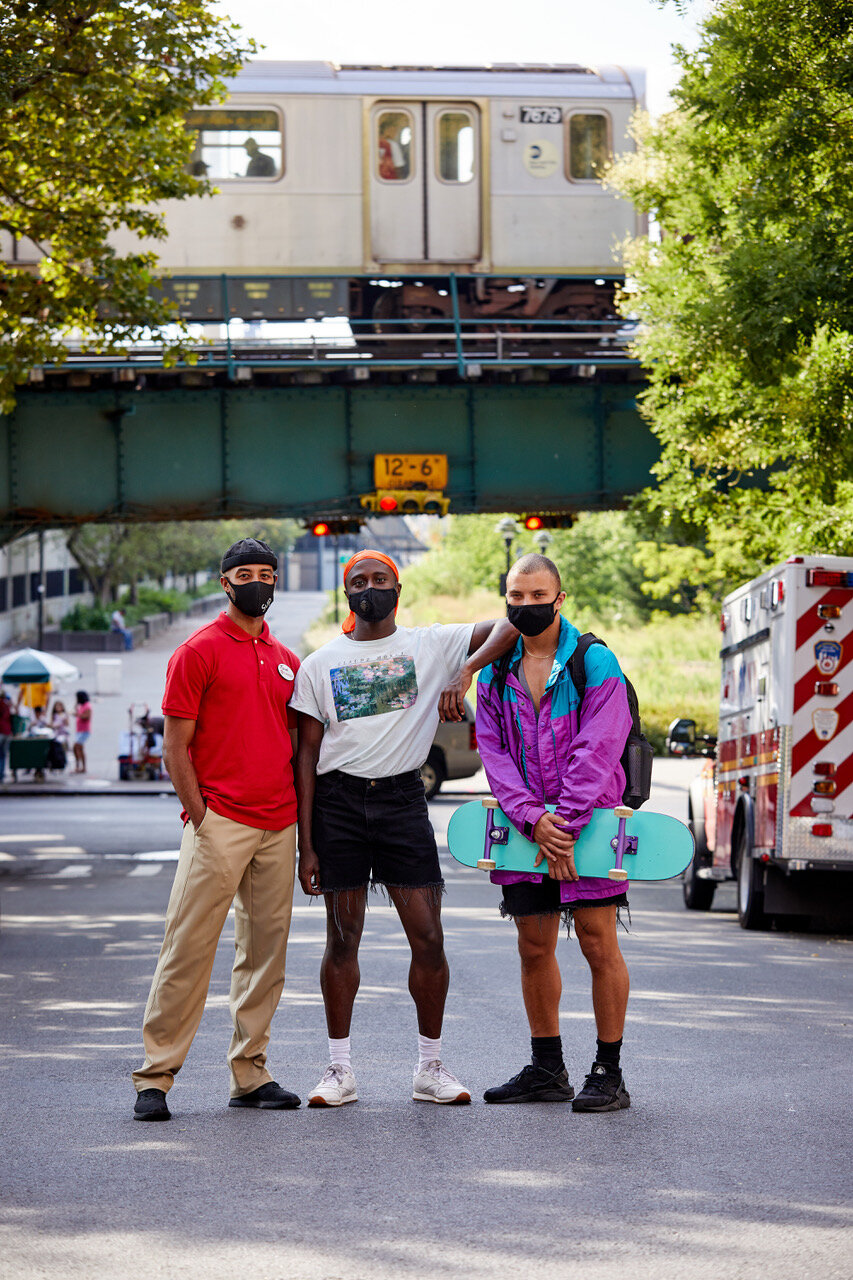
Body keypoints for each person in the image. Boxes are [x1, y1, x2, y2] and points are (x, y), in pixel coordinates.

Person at [291, 549, 519, 1108]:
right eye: (359, 581)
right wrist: (307, 845)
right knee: (342, 940)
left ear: (398, 587)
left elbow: (512, 624)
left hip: (402, 801)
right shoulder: (320, 664)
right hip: (338, 805)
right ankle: (339, 1070)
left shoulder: (433, 644)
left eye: (380, 579)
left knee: (430, 936)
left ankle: (430, 1067)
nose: (370, 587)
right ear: (348, 594)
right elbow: (305, 756)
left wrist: (466, 670)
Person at [132, 538, 301, 1122]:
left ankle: (250, 1075)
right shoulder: (197, 651)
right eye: (245, 574)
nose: (258, 582)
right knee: (188, 947)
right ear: (225, 583)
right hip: (221, 821)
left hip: (280, 823)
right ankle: (155, 1077)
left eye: (267, 574)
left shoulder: (286, 659)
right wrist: (200, 816)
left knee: (265, 954)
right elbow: (175, 747)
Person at [473, 554, 633, 1113]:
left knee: (597, 942)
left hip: (583, 826)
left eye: (539, 596)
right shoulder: (495, 670)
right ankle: (547, 1068)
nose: (528, 606)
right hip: (528, 830)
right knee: (533, 944)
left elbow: (602, 744)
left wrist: (562, 822)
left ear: (559, 599)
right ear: (507, 598)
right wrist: (531, 820)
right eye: (517, 596)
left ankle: (608, 1073)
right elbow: (491, 752)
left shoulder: (594, 661)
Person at [73, 691, 91, 773]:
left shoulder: (87, 706)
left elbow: (87, 717)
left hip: (84, 730)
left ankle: (82, 767)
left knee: (77, 747)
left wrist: (78, 715)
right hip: (79, 730)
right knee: (77, 748)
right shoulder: (82, 706)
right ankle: (78, 766)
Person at [0, 691, 12, 782]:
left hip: (2, 731)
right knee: (3, 755)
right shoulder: (7, 705)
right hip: (7, 732)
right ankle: (1, 774)